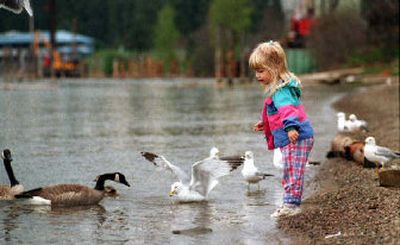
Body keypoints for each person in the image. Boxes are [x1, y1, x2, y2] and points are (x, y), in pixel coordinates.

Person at [249, 41, 314, 217]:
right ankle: (290, 202)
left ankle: (291, 205)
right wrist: (267, 123)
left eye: (261, 71)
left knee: (292, 171)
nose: (257, 75)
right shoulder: (280, 88)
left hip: (296, 136)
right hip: (294, 134)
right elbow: (281, 113)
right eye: (256, 71)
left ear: (275, 67)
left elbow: (288, 110)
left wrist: (291, 127)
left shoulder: (281, 91)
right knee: (290, 169)